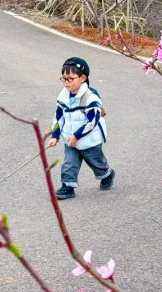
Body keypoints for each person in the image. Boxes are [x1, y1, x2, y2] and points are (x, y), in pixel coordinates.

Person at [45, 56, 113, 200]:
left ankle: (107, 174)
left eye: (70, 78)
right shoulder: (63, 97)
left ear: (82, 78)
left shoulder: (90, 97)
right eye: (63, 78)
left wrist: (77, 135)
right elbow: (58, 117)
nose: (66, 82)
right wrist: (55, 135)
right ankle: (67, 187)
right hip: (70, 139)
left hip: (89, 139)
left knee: (96, 162)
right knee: (69, 162)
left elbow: (92, 120)